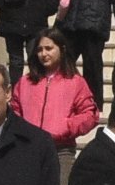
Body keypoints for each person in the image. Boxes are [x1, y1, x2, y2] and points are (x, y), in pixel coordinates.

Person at [14, 33, 99, 165]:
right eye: (39, 50)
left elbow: (90, 114)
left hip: (61, 151)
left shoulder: (75, 81)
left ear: (61, 49)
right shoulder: (25, 82)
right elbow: (14, 111)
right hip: (27, 149)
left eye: (49, 48)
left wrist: (66, 127)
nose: (43, 54)